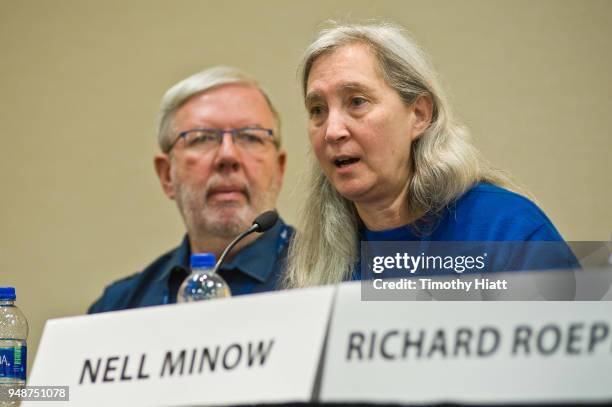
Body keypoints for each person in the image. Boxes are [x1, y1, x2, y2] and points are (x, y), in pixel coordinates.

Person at [283, 23, 577, 288]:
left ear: (419, 115)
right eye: (318, 110)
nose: (332, 131)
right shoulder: (318, 257)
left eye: (357, 102)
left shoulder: (505, 229)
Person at [89, 66, 291, 313]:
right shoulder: (118, 308)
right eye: (202, 138)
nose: (228, 155)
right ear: (166, 176)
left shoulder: (342, 277)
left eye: (250, 136)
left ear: (279, 170)